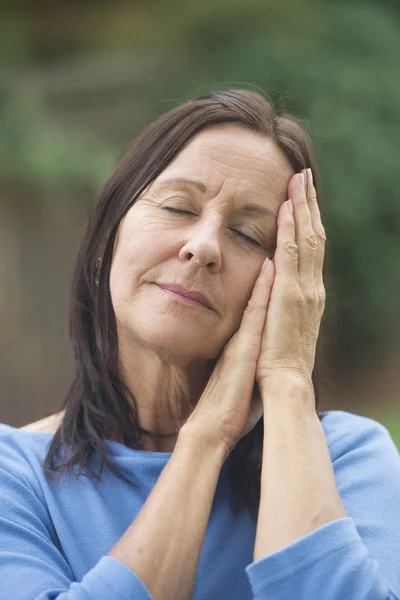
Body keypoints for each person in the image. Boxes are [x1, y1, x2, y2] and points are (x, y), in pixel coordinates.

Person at [1, 89, 399, 600]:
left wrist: (287, 381)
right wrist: (206, 438)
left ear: (286, 286)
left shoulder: (349, 459)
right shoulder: (16, 476)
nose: (204, 245)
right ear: (106, 241)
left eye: (248, 235)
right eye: (176, 207)